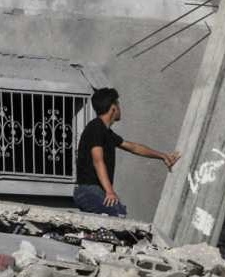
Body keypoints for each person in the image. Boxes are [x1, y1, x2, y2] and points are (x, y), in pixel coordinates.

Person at [73, 87, 180, 217]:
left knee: (118, 213)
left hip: (94, 191)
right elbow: (98, 160)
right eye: (118, 105)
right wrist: (110, 191)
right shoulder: (95, 127)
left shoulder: (107, 133)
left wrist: (162, 156)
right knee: (118, 213)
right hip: (87, 191)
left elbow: (134, 147)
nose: (120, 109)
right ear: (113, 108)